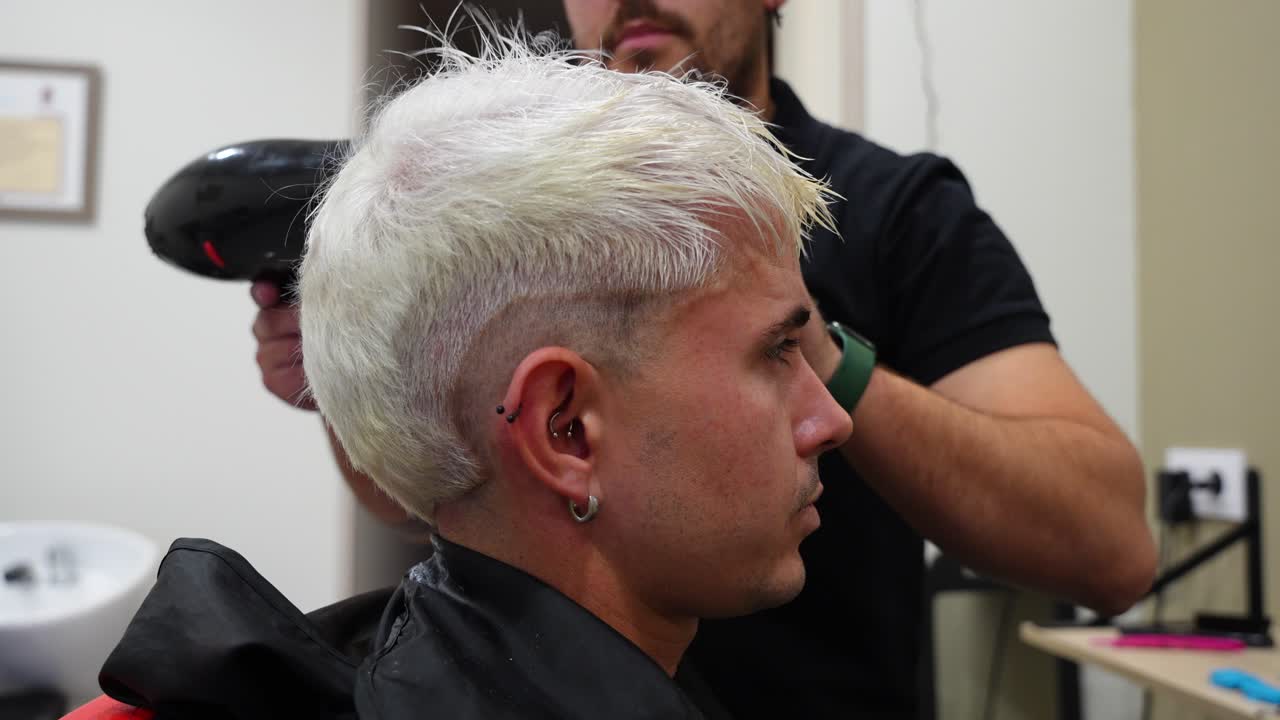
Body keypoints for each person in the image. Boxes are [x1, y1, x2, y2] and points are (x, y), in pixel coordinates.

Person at [252, 2, 1157, 717]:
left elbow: (1112, 549)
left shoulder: (901, 212)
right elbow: (460, 486)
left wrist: (793, 329)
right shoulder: (512, 216)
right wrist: (352, 379)